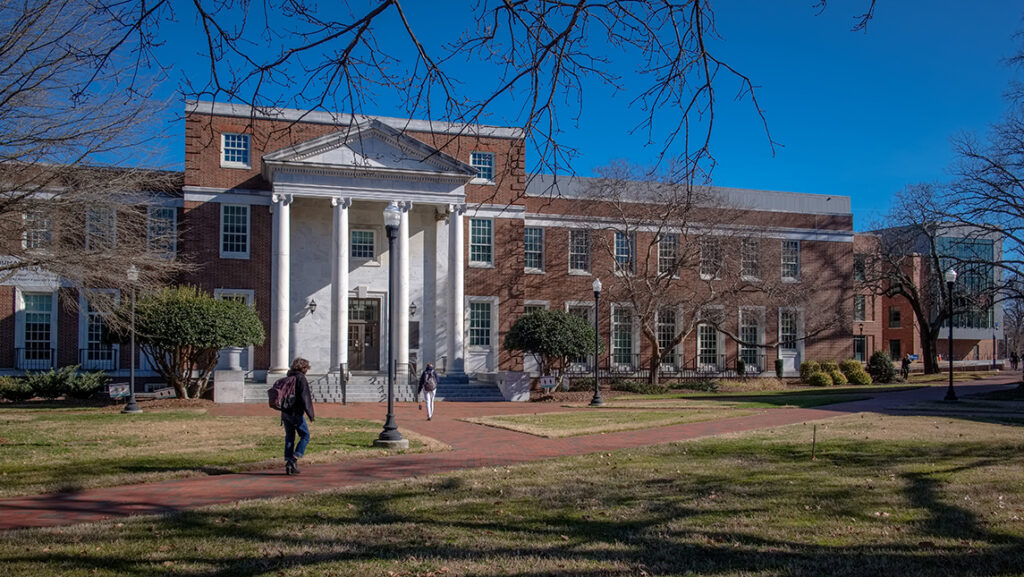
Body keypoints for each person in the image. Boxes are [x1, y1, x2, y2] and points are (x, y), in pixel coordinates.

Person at [282, 357, 314, 475]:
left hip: (285, 412)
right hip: (296, 413)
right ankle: (293, 459)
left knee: (290, 436)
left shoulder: (288, 376)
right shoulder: (301, 378)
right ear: (304, 368)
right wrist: (311, 414)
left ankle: (288, 461)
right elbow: (305, 398)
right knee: (305, 436)